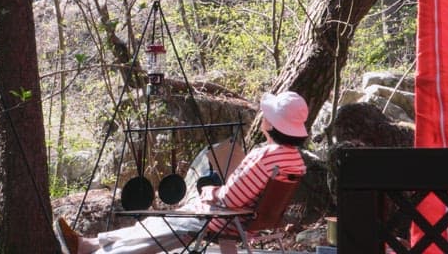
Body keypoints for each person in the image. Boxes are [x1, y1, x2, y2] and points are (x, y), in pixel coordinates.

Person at [55, 91, 309, 254]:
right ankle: (89, 245)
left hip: (226, 219)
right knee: (158, 223)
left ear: (273, 124)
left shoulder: (264, 155)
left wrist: (209, 191)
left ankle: (97, 251)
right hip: (246, 220)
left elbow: (230, 199)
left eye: (268, 114)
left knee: (163, 224)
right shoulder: (295, 160)